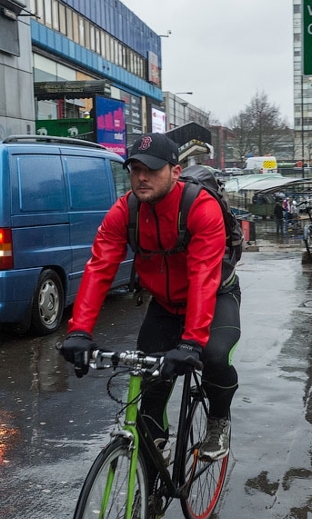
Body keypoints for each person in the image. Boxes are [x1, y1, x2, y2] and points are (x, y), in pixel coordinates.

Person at [59, 132, 240, 462]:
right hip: (166, 305)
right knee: (150, 386)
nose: (142, 178)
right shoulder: (124, 212)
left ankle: (218, 420)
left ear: (175, 170)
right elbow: (99, 269)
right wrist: (79, 331)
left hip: (215, 297)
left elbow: (202, 277)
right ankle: (151, 470)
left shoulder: (200, 208)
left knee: (213, 357)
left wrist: (190, 343)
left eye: (152, 169)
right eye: (135, 168)